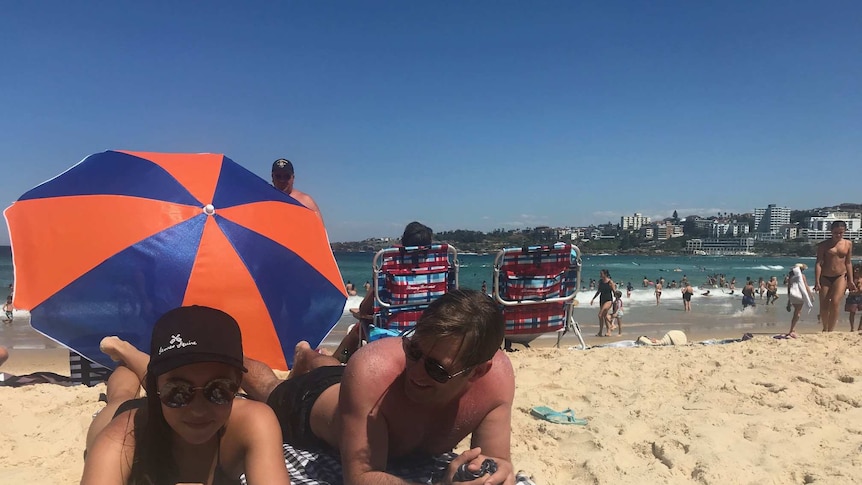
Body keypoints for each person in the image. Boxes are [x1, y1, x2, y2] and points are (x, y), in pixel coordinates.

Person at [242, 289, 516, 485]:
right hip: (310, 403)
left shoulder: (496, 382)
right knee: (268, 388)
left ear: (477, 372)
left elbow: (494, 461)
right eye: (413, 351)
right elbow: (362, 477)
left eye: (437, 369)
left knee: (331, 370)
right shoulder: (372, 369)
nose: (415, 372)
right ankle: (238, 358)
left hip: (349, 387)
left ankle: (306, 356)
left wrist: (492, 472)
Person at [81, 306, 290, 485]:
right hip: (130, 414)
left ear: (237, 385)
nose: (198, 410)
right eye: (178, 392)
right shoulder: (122, 437)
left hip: (161, 405)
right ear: (155, 388)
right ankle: (125, 352)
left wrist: (174, 394)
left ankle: (128, 354)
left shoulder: (254, 422)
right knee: (121, 396)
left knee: (164, 378)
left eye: (218, 389)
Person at [336, 221, 434, 362]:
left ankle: (334, 365)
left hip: (394, 336)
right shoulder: (439, 271)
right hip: (428, 332)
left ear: (403, 243)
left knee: (359, 329)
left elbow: (364, 309)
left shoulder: (392, 267)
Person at [815, 220, 856, 332]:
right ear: (831, 231)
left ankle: (831, 330)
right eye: (836, 232)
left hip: (840, 276)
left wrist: (851, 280)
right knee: (824, 305)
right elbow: (818, 263)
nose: (838, 235)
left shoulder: (848, 244)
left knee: (835, 302)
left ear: (844, 232)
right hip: (825, 277)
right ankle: (825, 327)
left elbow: (848, 262)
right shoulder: (823, 245)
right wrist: (817, 281)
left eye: (841, 233)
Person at [785, 263, 815, 337]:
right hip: (799, 295)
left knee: (796, 312)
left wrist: (789, 302)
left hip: (792, 295)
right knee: (797, 313)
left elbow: (789, 289)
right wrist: (811, 296)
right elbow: (806, 286)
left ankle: (793, 329)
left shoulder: (790, 277)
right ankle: (792, 329)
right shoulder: (802, 276)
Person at [590, 269, 616, 337]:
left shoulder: (610, 282)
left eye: (601, 273)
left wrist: (616, 301)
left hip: (609, 300)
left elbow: (614, 292)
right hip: (602, 299)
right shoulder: (600, 281)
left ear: (605, 274)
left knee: (600, 315)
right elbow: (598, 291)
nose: (600, 275)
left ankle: (611, 327)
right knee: (604, 316)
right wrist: (593, 299)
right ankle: (603, 332)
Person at [846, 264, 862, 332]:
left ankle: (860, 327)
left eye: (857, 270)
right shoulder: (851, 279)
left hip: (860, 296)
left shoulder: (861, 278)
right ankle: (852, 328)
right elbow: (846, 286)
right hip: (852, 297)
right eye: (854, 270)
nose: (856, 271)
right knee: (852, 313)